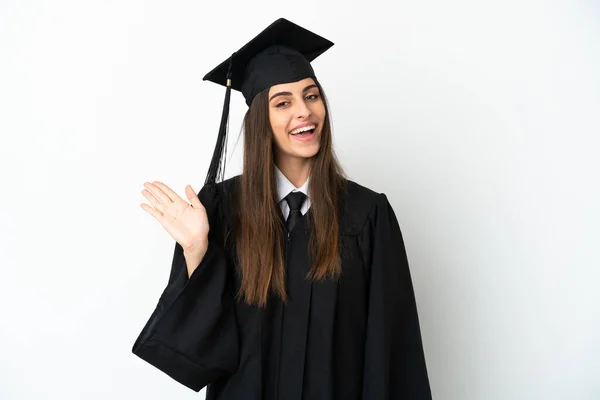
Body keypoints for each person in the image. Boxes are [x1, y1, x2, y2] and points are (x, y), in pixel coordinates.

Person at [132, 18, 432, 400]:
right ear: (261, 119)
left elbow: (392, 352)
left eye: (311, 95)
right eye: (283, 102)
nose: (304, 112)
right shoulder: (220, 212)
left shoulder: (367, 215)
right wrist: (197, 251)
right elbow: (201, 356)